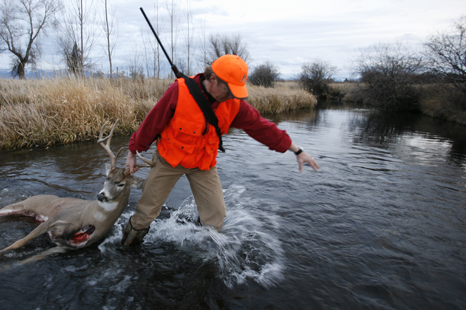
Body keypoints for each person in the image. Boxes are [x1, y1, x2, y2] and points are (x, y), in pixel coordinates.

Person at [121, 54, 319, 246]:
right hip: (168, 160)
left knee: (216, 217)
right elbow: (152, 123)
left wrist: (297, 150)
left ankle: (202, 254)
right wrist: (132, 152)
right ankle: (127, 247)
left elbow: (262, 127)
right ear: (213, 79)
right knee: (145, 213)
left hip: (203, 164)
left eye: (236, 91)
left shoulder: (234, 104)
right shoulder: (179, 91)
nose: (232, 96)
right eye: (229, 89)